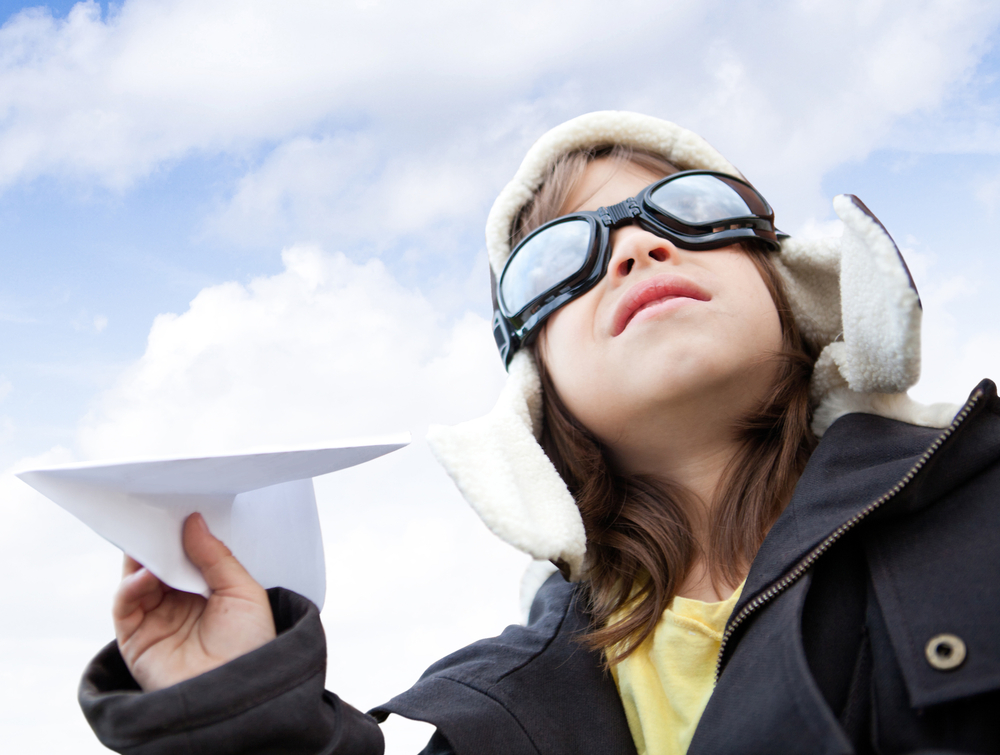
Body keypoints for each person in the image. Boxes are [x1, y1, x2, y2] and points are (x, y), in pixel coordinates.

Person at [79, 112, 1000, 754]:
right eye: (562, 256)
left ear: (784, 282)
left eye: (690, 206)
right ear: (537, 389)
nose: (639, 249)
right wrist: (237, 710)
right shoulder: (490, 714)